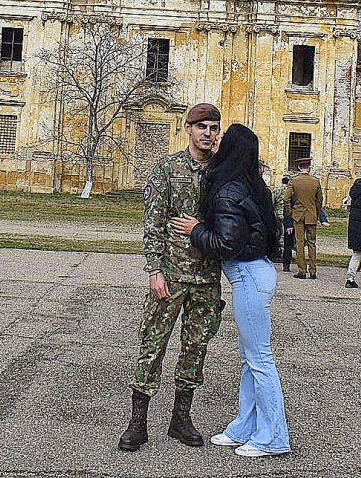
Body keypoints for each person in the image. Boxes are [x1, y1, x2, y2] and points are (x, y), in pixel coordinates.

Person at [172, 124, 290, 458]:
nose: (215, 140)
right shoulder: (252, 186)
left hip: (248, 276)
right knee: (250, 358)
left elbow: (226, 244)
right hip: (256, 273)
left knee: (260, 359)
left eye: (222, 138)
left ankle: (274, 437)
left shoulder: (228, 191)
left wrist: (196, 231)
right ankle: (245, 425)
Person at [119, 103, 224, 452]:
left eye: (213, 128)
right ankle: (138, 423)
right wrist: (154, 269)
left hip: (207, 278)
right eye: (202, 127)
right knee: (152, 347)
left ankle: (181, 420)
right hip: (172, 275)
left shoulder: (223, 173)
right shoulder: (167, 169)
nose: (208, 134)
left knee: (196, 348)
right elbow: (154, 224)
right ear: (188, 129)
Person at [288, 157, 323, 279]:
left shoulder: (294, 181)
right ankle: (313, 270)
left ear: (299, 167)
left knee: (300, 243)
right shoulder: (316, 181)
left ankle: (302, 270)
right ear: (309, 168)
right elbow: (319, 200)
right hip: (311, 215)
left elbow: (286, 198)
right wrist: (316, 212)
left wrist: (290, 212)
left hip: (298, 215)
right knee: (312, 243)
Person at [272, 175, 295, 272]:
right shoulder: (292, 192)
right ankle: (284, 255)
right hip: (289, 216)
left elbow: (272, 202)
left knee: (279, 235)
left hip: (278, 215)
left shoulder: (277, 191)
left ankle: (279, 253)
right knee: (287, 237)